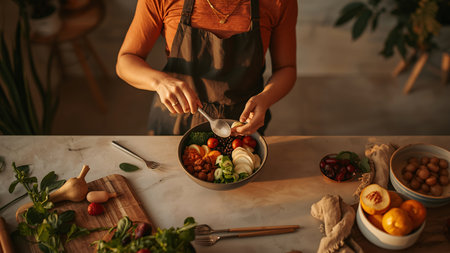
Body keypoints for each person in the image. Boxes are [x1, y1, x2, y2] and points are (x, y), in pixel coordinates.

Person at [116, 0, 297, 135]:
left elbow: (286, 68)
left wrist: (266, 99)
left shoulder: (279, 3)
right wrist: (160, 82)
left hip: (241, 124)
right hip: (175, 121)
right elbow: (126, 61)